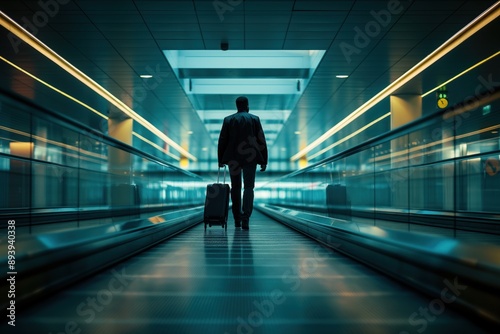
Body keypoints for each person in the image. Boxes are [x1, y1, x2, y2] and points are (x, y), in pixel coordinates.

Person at [218, 96, 268, 230]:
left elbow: (222, 140)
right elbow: (261, 140)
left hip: (233, 158)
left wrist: (221, 160)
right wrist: (264, 159)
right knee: (249, 187)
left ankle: (237, 219)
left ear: (237, 106)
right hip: (250, 159)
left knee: (235, 187)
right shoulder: (254, 119)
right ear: (247, 106)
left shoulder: (228, 120)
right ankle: (246, 218)